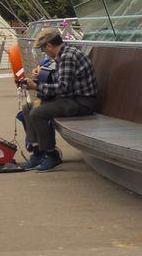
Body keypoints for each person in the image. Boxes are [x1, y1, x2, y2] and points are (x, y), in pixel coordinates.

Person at [21, 28, 98, 172]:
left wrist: (36, 86)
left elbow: (63, 88)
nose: (44, 53)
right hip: (71, 98)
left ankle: (52, 155)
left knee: (37, 113)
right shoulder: (65, 53)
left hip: (82, 102)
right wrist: (40, 76)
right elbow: (63, 80)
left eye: (44, 49)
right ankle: (38, 153)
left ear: (49, 45)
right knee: (28, 108)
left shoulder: (67, 57)